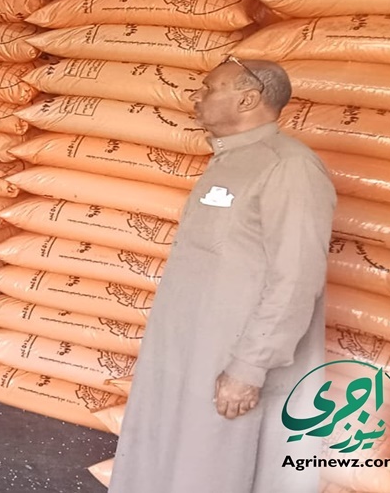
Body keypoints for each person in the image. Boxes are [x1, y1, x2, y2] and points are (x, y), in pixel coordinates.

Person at [109, 57, 335, 493]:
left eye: (210, 88)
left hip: (232, 358)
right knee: (169, 456)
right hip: (191, 350)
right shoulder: (232, 160)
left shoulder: (288, 167)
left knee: (212, 466)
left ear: (248, 99)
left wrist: (249, 367)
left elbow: (296, 279)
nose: (196, 96)